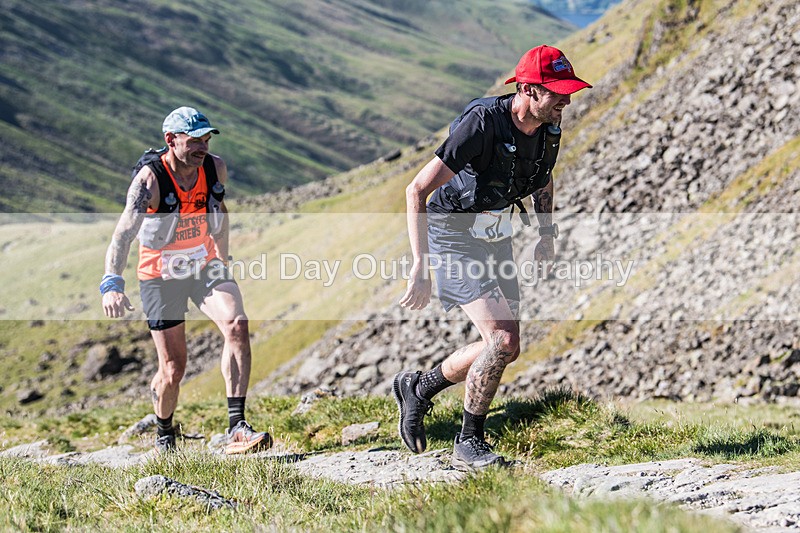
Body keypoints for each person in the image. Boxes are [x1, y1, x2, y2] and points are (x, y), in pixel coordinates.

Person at [394, 45, 591, 471]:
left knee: (505, 346)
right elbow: (417, 190)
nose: (567, 100)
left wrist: (546, 235)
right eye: (557, 91)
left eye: (569, 91)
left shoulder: (549, 126)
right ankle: (469, 441)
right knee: (501, 340)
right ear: (527, 89)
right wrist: (420, 264)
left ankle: (418, 388)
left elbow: (543, 178)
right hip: (451, 233)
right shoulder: (482, 123)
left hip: (495, 235)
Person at [100, 106, 271, 455]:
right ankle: (165, 434)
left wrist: (222, 257)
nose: (202, 147)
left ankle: (237, 427)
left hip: (203, 263)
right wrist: (112, 284)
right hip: (160, 275)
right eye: (194, 141)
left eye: (206, 139)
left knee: (237, 325)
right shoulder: (149, 181)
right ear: (170, 140)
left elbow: (219, 212)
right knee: (173, 369)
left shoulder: (214, 167)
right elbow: (122, 235)